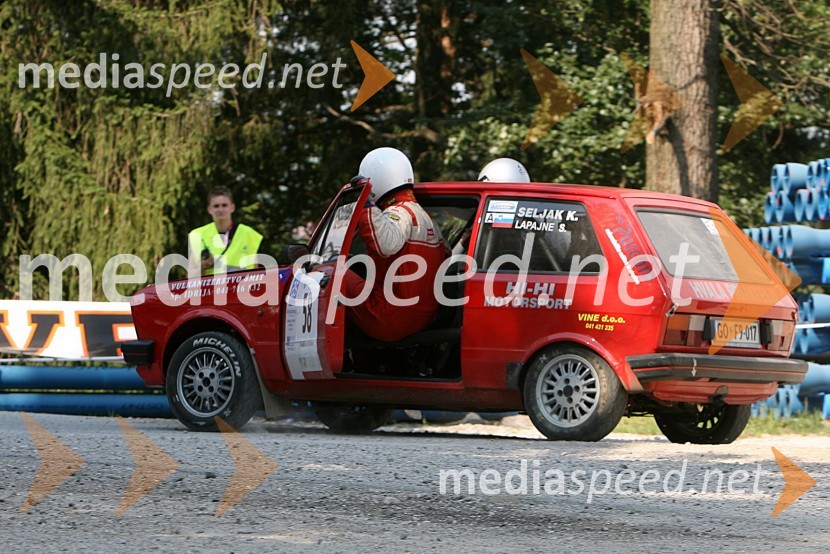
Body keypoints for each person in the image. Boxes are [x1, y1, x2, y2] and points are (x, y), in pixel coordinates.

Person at [342, 147, 449, 342]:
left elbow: (385, 245)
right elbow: (448, 258)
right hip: (424, 317)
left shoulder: (398, 213)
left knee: (334, 273)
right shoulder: (426, 218)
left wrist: (364, 203)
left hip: (388, 316)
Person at [188, 186, 263, 275]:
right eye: (216, 206)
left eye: (224, 205)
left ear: (232, 207)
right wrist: (203, 265)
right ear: (209, 209)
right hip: (212, 287)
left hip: (243, 286)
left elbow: (256, 271)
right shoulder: (198, 235)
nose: (220, 210)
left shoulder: (248, 233)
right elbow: (191, 277)